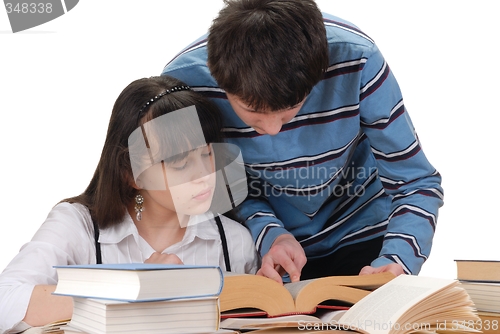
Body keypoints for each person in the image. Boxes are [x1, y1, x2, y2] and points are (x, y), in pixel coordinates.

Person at [161, 0, 443, 284]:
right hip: (262, 251)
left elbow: (415, 183)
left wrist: (397, 259)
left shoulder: (359, 59)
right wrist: (269, 231)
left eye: (288, 113)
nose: (272, 130)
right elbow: (213, 186)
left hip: (366, 238)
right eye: (253, 113)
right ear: (217, 77)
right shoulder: (183, 83)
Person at [0, 75, 259, 333]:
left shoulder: (233, 242)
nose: (204, 174)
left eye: (206, 154)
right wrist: (133, 286)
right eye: (180, 163)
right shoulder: (77, 225)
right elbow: (5, 300)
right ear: (131, 174)